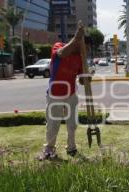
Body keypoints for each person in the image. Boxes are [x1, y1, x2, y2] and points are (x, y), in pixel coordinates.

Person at [37, 22, 91, 160]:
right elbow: (61, 54)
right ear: (78, 43)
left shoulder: (80, 58)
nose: (85, 51)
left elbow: (81, 80)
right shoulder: (59, 46)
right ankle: (49, 149)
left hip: (71, 94)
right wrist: (77, 38)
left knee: (72, 124)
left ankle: (71, 148)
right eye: (85, 47)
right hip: (55, 94)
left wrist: (87, 77)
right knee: (53, 124)